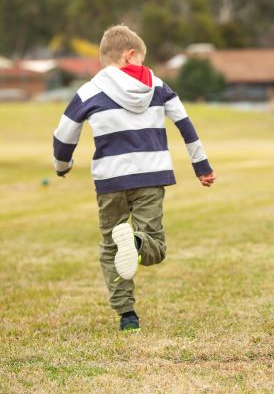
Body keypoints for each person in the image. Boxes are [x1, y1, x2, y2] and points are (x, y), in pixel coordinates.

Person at [52, 25, 216, 332]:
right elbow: (185, 125)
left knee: (110, 247)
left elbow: (64, 135)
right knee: (155, 247)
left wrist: (62, 165)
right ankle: (138, 241)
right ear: (131, 55)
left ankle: (127, 316)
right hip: (151, 175)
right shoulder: (158, 86)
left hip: (110, 180)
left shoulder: (88, 91)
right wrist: (201, 166)